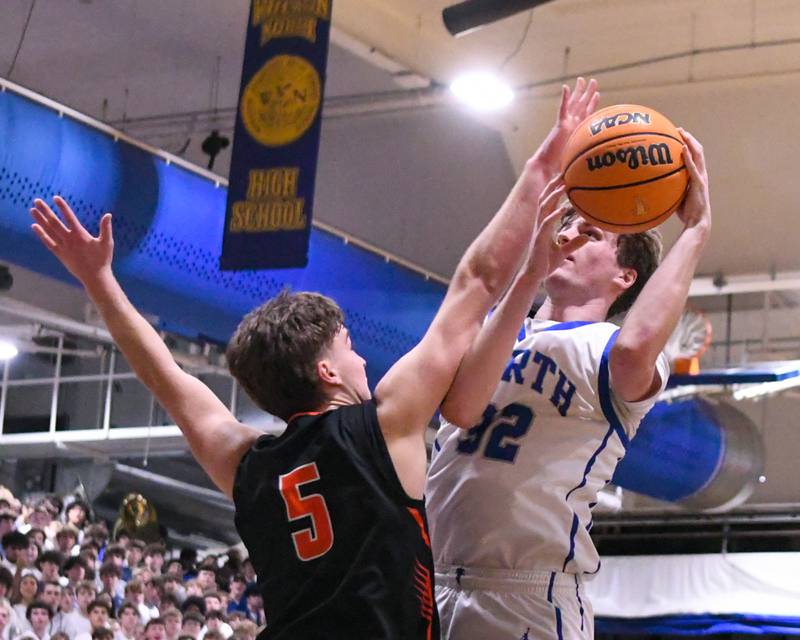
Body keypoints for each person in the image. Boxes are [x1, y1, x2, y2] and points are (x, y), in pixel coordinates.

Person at [28, 69, 589, 638]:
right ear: (326, 371)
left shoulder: (247, 463)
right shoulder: (384, 426)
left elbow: (165, 376)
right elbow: (476, 280)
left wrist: (99, 281)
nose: (364, 360)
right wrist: (541, 168)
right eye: (349, 348)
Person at [426, 114, 712, 637]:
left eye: (592, 232)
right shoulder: (500, 324)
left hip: (526, 594)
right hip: (434, 582)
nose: (569, 234)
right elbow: (458, 407)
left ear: (625, 276)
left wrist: (695, 231)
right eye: (570, 223)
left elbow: (634, 348)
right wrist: (529, 270)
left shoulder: (612, 351)